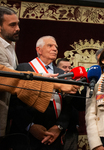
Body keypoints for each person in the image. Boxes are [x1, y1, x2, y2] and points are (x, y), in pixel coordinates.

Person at [8, 36, 76, 150]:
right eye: (50, 46)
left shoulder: (61, 73)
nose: (55, 49)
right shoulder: (24, 68)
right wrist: (30, 126)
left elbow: (68, 105)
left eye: (56, 47)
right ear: (39, 50)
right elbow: (14, 102)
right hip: (26, 135)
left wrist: (59, 127)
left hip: (54, 135)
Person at [0, 6, 20, 138]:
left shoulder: (10, 45)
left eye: (18, 24)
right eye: (12, 25)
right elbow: (11, 78)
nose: (17, 28)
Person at [57, 59, 79, 150]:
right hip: (56, 128)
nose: (67, 70)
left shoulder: (74, 83)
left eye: (69, 67)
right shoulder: (54, 84)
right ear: (57, 69)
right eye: (64, 67)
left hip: (71, 130)